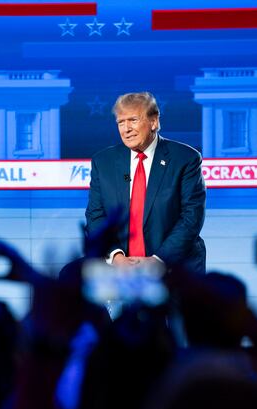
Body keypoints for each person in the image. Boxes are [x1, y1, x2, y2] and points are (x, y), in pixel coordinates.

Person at [85, 92, 206, 274]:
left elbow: (191, 217)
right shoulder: (103, 162)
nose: (126, 129)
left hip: (175, 267)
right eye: (120, 122)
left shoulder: (185, 159)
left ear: (154, 122)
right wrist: (116, 257)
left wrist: (158, 260)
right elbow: (96, 216)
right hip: (120, 267)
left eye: (133, 120)